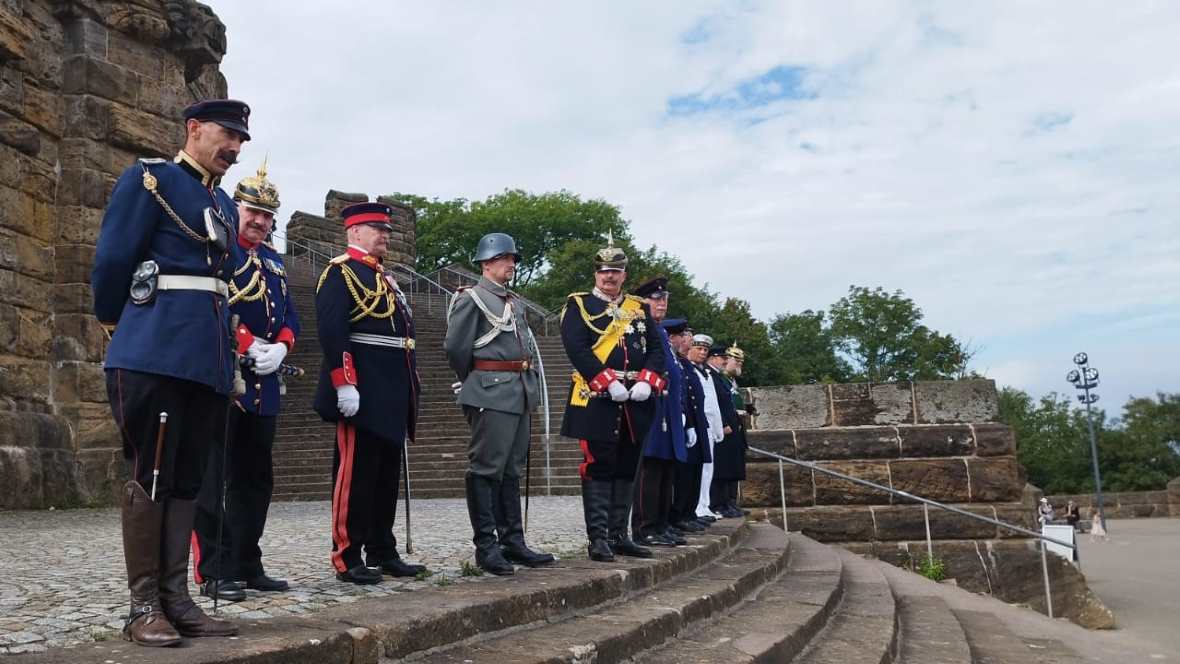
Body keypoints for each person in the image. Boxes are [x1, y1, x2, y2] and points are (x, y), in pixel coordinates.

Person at [92, 99, 249, 646]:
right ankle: (142, 606)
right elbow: (113, 262)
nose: (234, 146)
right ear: (194, 128)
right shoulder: (150, 180)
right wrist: (125, 328)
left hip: (205, 357)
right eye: (227, 134)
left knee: (187, 477)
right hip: (154, 348)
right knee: (151, 471)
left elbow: (221, 284)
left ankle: (177, 599)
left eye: (241, 140)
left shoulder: (224, 205)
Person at [192, 159, 298, 601]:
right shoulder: (218, 250)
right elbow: (205, 303)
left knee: (256, 479)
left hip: (264, 384)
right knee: (212, 478)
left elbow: (288, 314)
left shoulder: (273, 261)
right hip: (223, 374)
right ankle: (213, 568)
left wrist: (282, 347)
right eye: (252, 211)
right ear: (234, 208)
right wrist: (243, 339)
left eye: (267, 215)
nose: (259, 221)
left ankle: (246, 562)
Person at [312, 202, 427, 584]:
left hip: (391, 390)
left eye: (387, 229)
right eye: (375, 228)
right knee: (355, 476)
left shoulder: (385, 278)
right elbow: (332, 332)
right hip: (361, 389)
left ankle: (382, 548)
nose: (384, 235)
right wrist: (344, 381)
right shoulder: (340, 273)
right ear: (354, 232)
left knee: (384, 477)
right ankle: (347, 553)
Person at [443, 232, 555, 575]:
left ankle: (513, 541)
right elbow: (456, 349)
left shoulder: (514, 301)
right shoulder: (471, 298)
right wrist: (477, 381)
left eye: (513, 260)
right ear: (488, 262)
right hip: (490, 391)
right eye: (506, 259)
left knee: (512, 470)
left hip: (519, 390)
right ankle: (486, 546)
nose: (511, 265)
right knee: (487, 468)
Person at [559, 237, 666, 562]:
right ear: (596, 274)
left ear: (623, 274)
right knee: (599, 467)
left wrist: (648, 380)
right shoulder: (579, 305)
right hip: (597, 399)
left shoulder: (637, 308)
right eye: (604, 272)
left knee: (626, 468)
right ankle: (599, 539)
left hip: (636, 400)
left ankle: (621, 535)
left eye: (616, 272)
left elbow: (657, 350)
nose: (610, 277)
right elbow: (577, 348)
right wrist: (605, 380)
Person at [628, 279, 688, 547]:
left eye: (665, 298)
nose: (662, 302)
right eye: (656, 298)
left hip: (667, 409)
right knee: (649, 471)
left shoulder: (660, 333)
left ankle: (661, 523)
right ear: (642, 302)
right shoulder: (638, 329)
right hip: (650, 405)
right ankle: (645, 527)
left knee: (664, 469)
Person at [669, 330, 712, 533]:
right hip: (687, 422)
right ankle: (679, 515)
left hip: (697, 423)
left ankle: (689, 512)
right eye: (687, 337)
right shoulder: (679, 364)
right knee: (685, 474)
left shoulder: (687, 365)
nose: (689, 340)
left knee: (695, 471)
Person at [709, 343, 748, 518]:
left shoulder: (729, 380)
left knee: (733, 468)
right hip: (724, 428)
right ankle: (719, 503)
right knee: (722, 469)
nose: (737, 364)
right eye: (735, 360)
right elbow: (717, 404)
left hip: (735, 426)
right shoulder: (718, 378)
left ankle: (728, 502)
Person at [692, 341, 727, 521]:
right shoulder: (693, 372)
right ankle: (698, 506)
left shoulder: (706, 373)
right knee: (701, 469)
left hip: (710, 425)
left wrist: (717, 426)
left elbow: (713, 404)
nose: (703, 352)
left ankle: (704, 505)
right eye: (699, 348)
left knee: (708, 469)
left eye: (705, 350)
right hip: (699, 423)